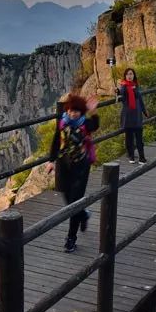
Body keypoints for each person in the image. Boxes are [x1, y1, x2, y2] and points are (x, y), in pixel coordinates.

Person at [47, 93, 99, 253]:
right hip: (63, 165)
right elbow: (57, 140)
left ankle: (71, 238)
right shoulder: (62, 122)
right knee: (66, 197)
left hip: (81, 167)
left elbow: (95, 125)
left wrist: (93, 111)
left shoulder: (86, 124)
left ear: (81, 111)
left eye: (76, 111)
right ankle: (83, 215)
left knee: (75, 203)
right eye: (70, 110)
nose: (73, 113)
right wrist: (51, 160)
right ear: (67, 110)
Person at [118, 68, 148, 164]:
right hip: (128, 115)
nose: (129, 76)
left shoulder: (136, 86)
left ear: (134, 75)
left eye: (131, 74)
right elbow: (122, 94)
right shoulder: (124, 87)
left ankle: (141, 157)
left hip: (137, 115)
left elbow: (140, 100)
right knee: (129, 138)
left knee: (139, 137)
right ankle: (131, 156)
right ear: (125, 76)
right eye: (127, 74)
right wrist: (118, 91)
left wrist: (144, 111)